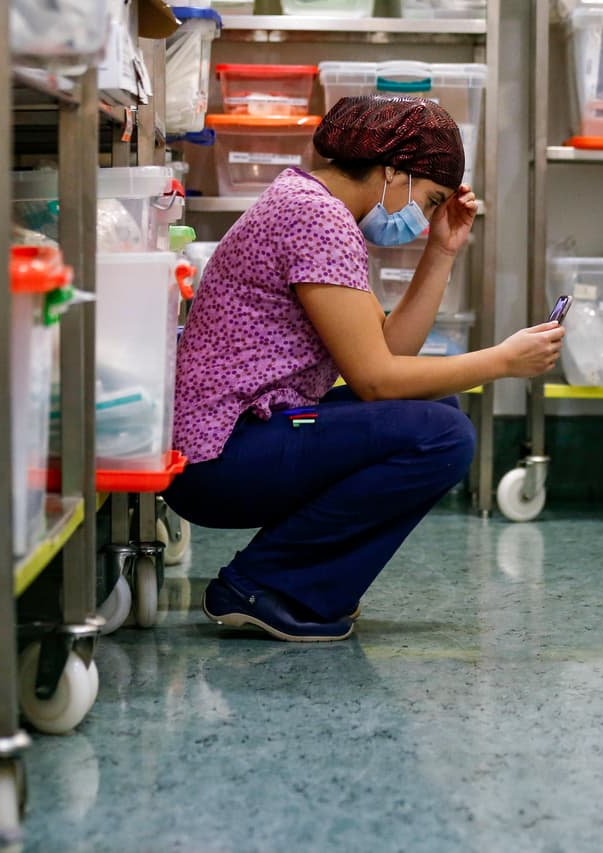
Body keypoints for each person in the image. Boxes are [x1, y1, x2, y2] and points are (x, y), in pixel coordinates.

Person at [163, 95, 564, 642]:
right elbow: (376, 380)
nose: (422, 218)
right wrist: (502, 362)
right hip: (220, 456)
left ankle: (295, 582)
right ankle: (265, 584)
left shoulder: (312, 205)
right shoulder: (317, 217)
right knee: (444, 435)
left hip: (233, 441)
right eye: (429, 200)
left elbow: (388, 355)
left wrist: (442, 252)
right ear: (394, 170)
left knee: (435, 412)